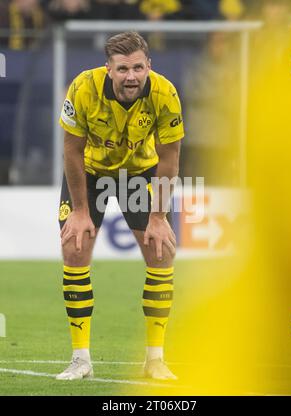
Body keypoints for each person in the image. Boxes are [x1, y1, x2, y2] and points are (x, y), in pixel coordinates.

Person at [56, 31, 184, 380]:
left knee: (161, 251)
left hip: (138, 173)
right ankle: (80, 359)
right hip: (91, 172)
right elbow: (71, 150)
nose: (132, 76)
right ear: (108, 69)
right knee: (74, 245)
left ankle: (154, 360)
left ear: (149, 67)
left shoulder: (165, 93)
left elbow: (170, 158)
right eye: (123, 68)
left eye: (138, 68)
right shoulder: (82, 88)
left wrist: (158, 216)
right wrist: (80, 210)